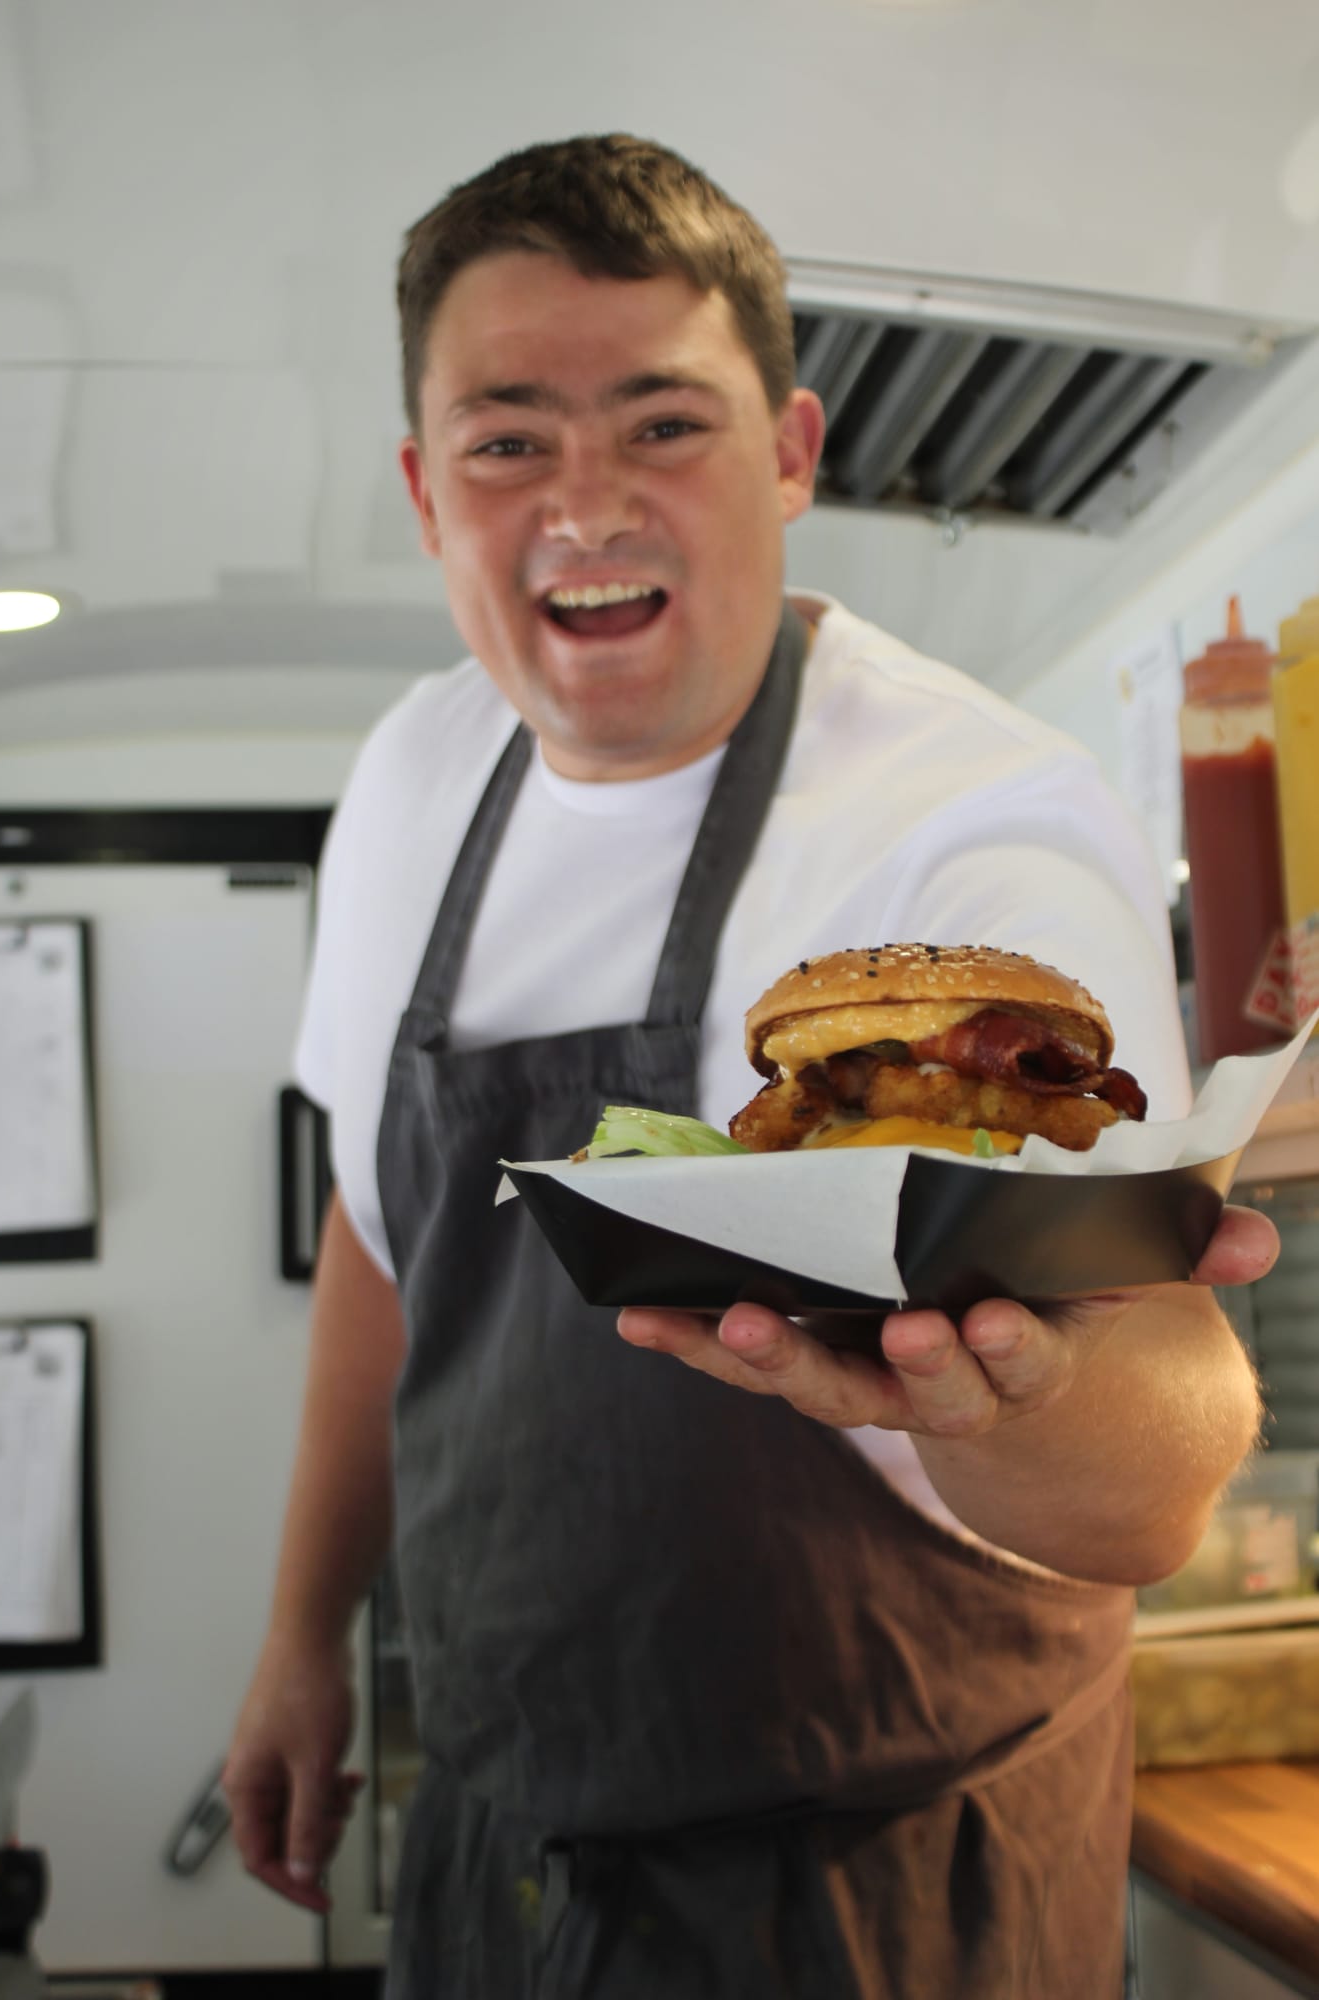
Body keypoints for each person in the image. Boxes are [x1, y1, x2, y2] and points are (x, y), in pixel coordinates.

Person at [223, 133, 1273, 1997]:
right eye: (506, 439)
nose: (585, 506)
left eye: (662, 426)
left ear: (791, 453)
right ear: (421, 487)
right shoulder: (403, 784)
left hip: (878, 1887)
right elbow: (378, 1240)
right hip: (497, 1844)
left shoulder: (977, 831)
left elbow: (1161, 1454)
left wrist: (1020, 1404)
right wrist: (301, 1638)